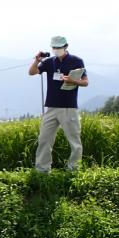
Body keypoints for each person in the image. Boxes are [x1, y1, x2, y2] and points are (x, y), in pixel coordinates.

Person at [29, 36, 89, 172]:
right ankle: (42, 170)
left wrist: (72, 81)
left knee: (74, 141)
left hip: (69, 107)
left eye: (59, 47)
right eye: (54, 47)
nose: (56, 50)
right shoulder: (49, 62)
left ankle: (74, 169)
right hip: (51, 107)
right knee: (44, 139)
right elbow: (32, 72)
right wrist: (36, 61)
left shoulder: (76, 61)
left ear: (66, 47)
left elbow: (85, 82)